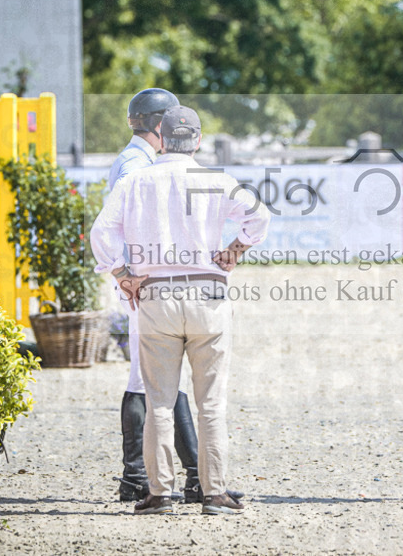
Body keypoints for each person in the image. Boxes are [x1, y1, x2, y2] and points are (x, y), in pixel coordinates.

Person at [91, 104, 271, 516]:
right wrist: (234, 250)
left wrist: (121, 273)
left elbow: (101, 233)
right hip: (208, 294)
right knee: (212, 402)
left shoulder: (136, 181)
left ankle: (159, 493)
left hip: (155, 296)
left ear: (160, 135)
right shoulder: (216, 179)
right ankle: (214, 493)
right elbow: (259, 215)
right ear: (199, 140)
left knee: (158, 401)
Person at [109, 88, 200, 504]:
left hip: (147, 282)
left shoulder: (141, 161)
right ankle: (136, 476)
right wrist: (127, 275)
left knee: (161, 377)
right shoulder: (134, 165)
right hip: (142, 284)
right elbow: (120, 225)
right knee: (145, 379)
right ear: (159, 124)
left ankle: (194, 473)